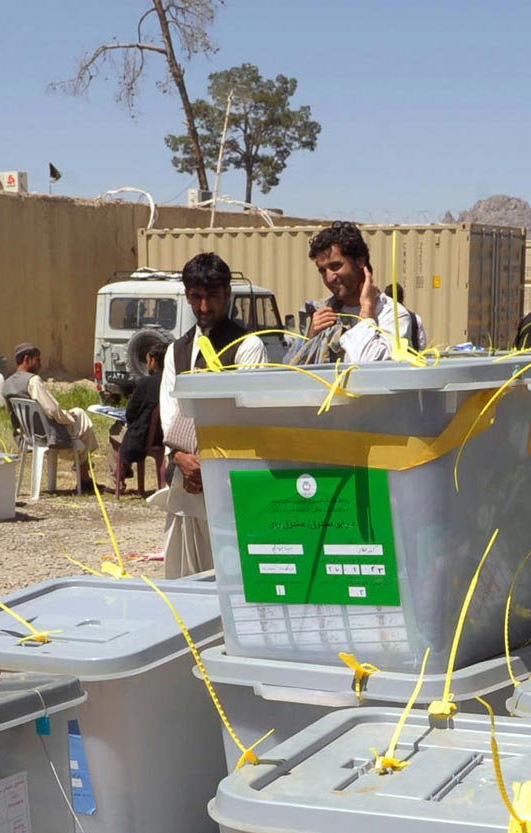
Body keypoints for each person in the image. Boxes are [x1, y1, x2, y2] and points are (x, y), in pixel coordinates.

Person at [159, 250, 268, 578]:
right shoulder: (177, 349)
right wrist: (180, 457)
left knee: (231, 576)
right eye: (196, 297)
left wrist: (206, 464)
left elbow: (245, 415)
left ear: (227, 295)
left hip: (226, 483)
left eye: (212, 297)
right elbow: (169, 409)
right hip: (184, 481)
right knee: (185, 578)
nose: (204, 307)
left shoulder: (248, 347)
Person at [285, 222, 418, 365]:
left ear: (360, 261)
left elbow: (369, 367)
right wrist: (311, 338)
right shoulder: (323, 312)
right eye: (323, 271)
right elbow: (287, 370)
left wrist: (367, 310)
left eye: (335, 266)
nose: (329, 278)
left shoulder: (392, 315)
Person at [1, 345, 98, 493]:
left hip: (29, 434)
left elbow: (11, 413)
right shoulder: (33, 381)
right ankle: (83, 473)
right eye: (37, 360)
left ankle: (83, 470)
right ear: (27, 359)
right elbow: (52, 409)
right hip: (47, 433)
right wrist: (67, 417)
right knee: (81, 417)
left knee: (80, 421)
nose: (40, 364)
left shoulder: (7, 383)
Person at [113, 328, 166, 497]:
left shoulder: (145, 383)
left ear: (154, 361)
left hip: (144, 437)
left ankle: (117, 479)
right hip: (165, 434)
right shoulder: (174, 381)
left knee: (115, 432)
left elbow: (130, 413)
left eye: (148, 360)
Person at [386, 283, 430, 349]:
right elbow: (422, 345)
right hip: (411, 357)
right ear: (402, 298)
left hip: (386, 358)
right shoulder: (415, 318)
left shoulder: (379, 319)